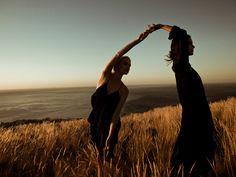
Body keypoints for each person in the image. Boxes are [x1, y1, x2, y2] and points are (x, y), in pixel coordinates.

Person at [152, 24, 216, 177]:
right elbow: (180, 33)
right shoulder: (181, 65)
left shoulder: (185, 67)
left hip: (200, 116)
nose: (194, 46)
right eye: (190, 43)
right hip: (194, 117)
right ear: (181, 47)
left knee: (198, 152)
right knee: (190, 152)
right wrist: (161, 26)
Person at [88, 25, 157, 161]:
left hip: (110, 127)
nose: (129, 67)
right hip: (95, 123)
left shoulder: (124, 90)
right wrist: (138, 41)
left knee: (106, 158)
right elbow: (118, 54)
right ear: (117, 65)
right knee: (96, 158)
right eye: (126, 63)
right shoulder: (104, 76)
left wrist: (110, 136)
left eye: (130, 65)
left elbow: (115, 115)